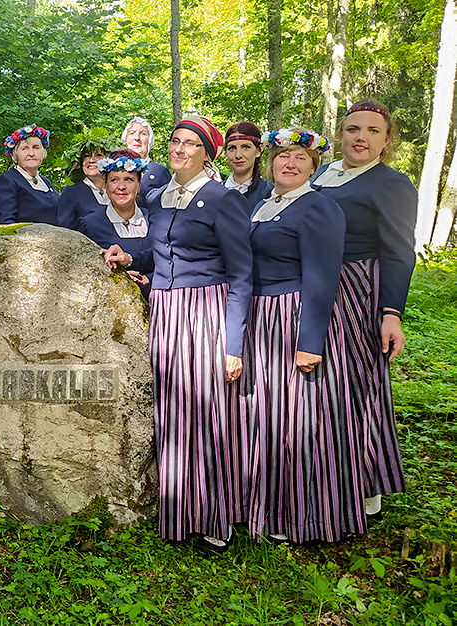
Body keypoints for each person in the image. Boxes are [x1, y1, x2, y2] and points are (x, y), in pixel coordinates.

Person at [102, 115, 253, 557]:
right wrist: (127, 254)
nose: (179, 149)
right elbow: (160, 252)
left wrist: (232, 345)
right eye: (175, 141)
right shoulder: (160, 197)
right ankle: (180, 510)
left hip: (205, 311)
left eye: (191, 144)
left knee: (209, 417)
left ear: (208, 153)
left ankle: (217, 521)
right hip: (166, 313)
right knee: (173, 414)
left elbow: (242, 275)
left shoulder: (222, 199)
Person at [245, 128, 365, 543]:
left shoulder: (319, 207)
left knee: (298, 423)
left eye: (300, 158)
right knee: (269, 418)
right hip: (262, 320)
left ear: (314, 168)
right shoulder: (263, 205)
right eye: (283, 156)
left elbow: (323, 277)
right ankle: (267, 507)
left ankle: (303, 518)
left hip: (293, 318)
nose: (289, 163)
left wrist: (310, 342)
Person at [311, 99, 418, 521]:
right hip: (312, 288)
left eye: (373, 131)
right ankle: (319, 478)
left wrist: (391, 313)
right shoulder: (323, 174)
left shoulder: (391, 184)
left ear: (386, 140)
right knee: (317, 390)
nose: (361, 138)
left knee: (357, 389)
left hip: (356, 292)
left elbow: (399, 253)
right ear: (341, 133)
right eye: (354, 129)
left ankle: (364, 487)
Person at [80, 149, 152, 298]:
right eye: (114, 180)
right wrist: (120, 279)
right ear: (105, 186)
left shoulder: (155, 220)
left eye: (129, 179)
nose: (121, 186)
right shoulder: (89, 225)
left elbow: (171, 261)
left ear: (139, 185)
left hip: (159, 305)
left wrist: (149, 279)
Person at [0, 125, 60, 225]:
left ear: (43, 153)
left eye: (36, 148)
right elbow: (5, 224)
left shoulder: (46, 182)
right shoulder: (6, 181)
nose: (31, 153)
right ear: (15, 155)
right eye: (24, 149)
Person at [58, 131, 114, 230]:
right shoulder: (72, 193)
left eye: (98, 155)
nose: (91, 160)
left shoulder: (120, 191)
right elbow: (64, 231)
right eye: (87, 156)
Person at [222, 121, 273, 211]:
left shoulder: (270, 193)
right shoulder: (215, 191)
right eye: (232, 148)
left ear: (258, 150)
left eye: (245, 147)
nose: (238, 155)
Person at [122, 116, 171, 202]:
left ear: (149, 140)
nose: (137, 138)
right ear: (125, 139)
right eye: (132, 133)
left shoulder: (160, 172)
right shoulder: (114, 168)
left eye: (143, 133)